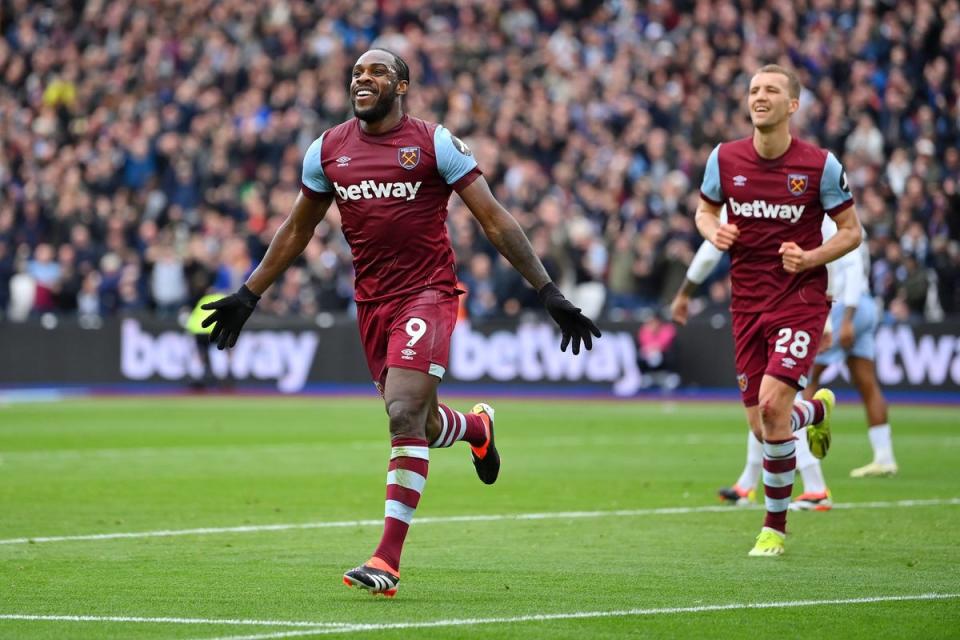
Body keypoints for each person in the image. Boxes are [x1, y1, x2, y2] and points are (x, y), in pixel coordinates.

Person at [200, 49, 600, 596]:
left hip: (428, 294)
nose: (363, 79)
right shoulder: (326, 150)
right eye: (358, 73)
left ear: (402, 85)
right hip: (372, 305)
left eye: (377, 72)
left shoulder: (434, 143)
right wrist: (248, 293)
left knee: (403, 411)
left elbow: (493, 219)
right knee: (423, 423)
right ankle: (477, 430)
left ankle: (386, 561)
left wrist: (548, 290)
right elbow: (297, 229)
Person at [693, 64, 862, 556]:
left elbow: (852, 232)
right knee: (764, 425)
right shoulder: (723, 159)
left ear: (793, 105)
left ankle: (774, 526)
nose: (759, 96)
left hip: (801, 299)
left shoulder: (820, 165)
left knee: (771, 407)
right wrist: (713, 230)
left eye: (771, 90)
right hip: (746, 305)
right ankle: (818, 409)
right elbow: (705, 210)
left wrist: (810, 259)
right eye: (753, 90)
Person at [671, 212, 843, 512]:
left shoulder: (805, 187)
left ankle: (814, 487)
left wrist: (825, 315)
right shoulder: (743, 190)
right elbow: (713, 242)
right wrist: (686, 291)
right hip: (752, 311)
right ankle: (750, 481)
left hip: (796, 308)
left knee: (777, 403)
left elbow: (834, 242)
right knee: (763, 414)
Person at [804, 224, 897, 478]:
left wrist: (846, 319)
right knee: (867, 383)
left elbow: (853, 267)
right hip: (865, 304)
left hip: (847, 305)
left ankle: (799, 455)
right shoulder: (850, 220)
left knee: (806, 375)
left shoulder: (835, 222)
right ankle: (884, 457)